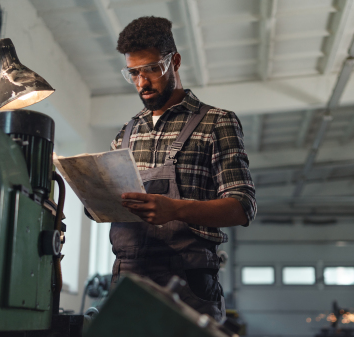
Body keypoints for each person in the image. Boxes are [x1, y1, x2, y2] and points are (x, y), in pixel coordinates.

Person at [105, 16, 256, 321]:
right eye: (133, 73)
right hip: (127, 279)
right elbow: (108, 201)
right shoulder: (127, 132)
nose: (141, 83)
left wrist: (175, 210)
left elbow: (243, 207)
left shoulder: (217, 122)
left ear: (174, 61)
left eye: (150, 70)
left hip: (189, 282)